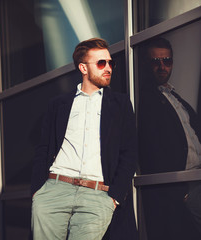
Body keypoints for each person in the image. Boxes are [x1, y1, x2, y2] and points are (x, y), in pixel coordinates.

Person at [30, 38, 138, 240]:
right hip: (54, 190)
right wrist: (38, 191)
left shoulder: (120, 104)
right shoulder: (58, 104)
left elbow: (129, 152)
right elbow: (43, 148)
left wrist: (114, 196)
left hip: (98, 194)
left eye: (110, 63)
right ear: (83, 67)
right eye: (100, 63)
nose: (108, 68)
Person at [138, 37, 201, 240]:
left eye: (166, 60)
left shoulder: (176, 98)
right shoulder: (145, 100)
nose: (162, 66)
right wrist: (180, 190)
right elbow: (151, 150)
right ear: (146, 65)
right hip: (189, 182)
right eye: (155, 62)